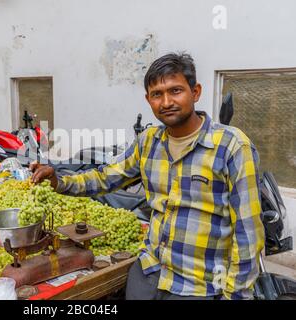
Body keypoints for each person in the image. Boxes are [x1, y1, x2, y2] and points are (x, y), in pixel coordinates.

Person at [29, 53, 265, 300]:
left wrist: (236, 295)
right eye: (157, 94)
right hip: (149, 273)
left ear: (195, 92)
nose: (166, 102)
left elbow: (248, 232)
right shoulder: (149, 141)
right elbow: (105, 177)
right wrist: (59, 181)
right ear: (148, 99)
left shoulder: (232, 146)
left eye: (175, 91)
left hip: (199, 285)